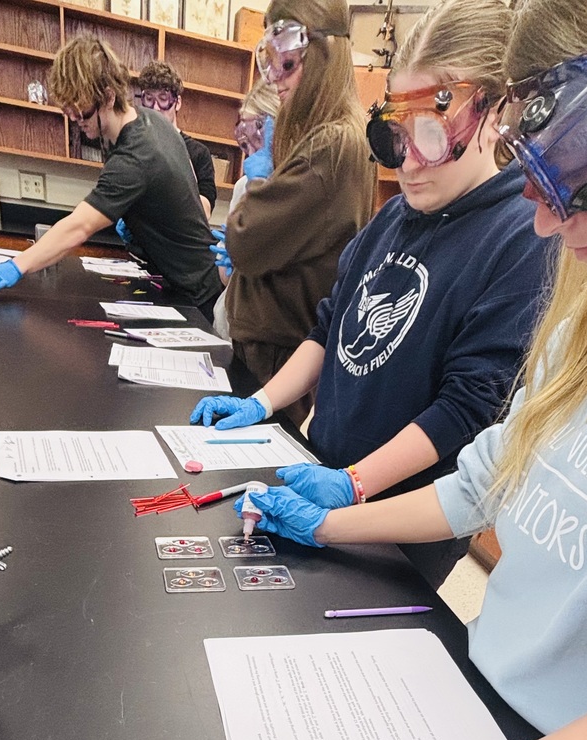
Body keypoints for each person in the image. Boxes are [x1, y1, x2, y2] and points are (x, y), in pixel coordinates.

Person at [239, 0, 587, 740]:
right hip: (485, 704)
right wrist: (330, 520)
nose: (542, 226)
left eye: (576, 183)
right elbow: (486, 479)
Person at [193, 0, 553, 588]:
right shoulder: (398, 215)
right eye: (395, 138)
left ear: (493, 115)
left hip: (403, 519)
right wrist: (261, 405)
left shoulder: (520, 236)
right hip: (327, 469)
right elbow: (329, 329)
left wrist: (356, 484)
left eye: (431, 136)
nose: (407, 163)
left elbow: (467, 408)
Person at [0, 36, 222, 323]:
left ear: (109, 96)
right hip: (182, 283)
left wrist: (17, 265)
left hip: (197, 298)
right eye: (70, 113)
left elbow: (79, 227)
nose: (78, 121)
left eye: (82, 113)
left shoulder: (136, 155)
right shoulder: (151, 121)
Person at [220, 0, 373, 426]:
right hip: (272, 348)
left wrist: (257, 182)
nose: (273, 78)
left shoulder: (332, 144)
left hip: (276, 353)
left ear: (321, 56)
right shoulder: (333, 138)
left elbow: (245, 240)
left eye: (286, 64)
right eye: (268, 61)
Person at [211, 78, 281, 340]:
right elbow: (225, 278)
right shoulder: (243, 187)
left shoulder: (297, 193)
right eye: (244, 146)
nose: (251, 155)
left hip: (262, 337)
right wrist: (231, 257)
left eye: (258, 140)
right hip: (226, 326)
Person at [135, 61, 217, 217]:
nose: (155, 107)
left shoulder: (198, 153)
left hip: (178, 239)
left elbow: (205, 212)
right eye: (149, 98)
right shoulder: (134, 147)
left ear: (177, 102)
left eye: (163, 98)